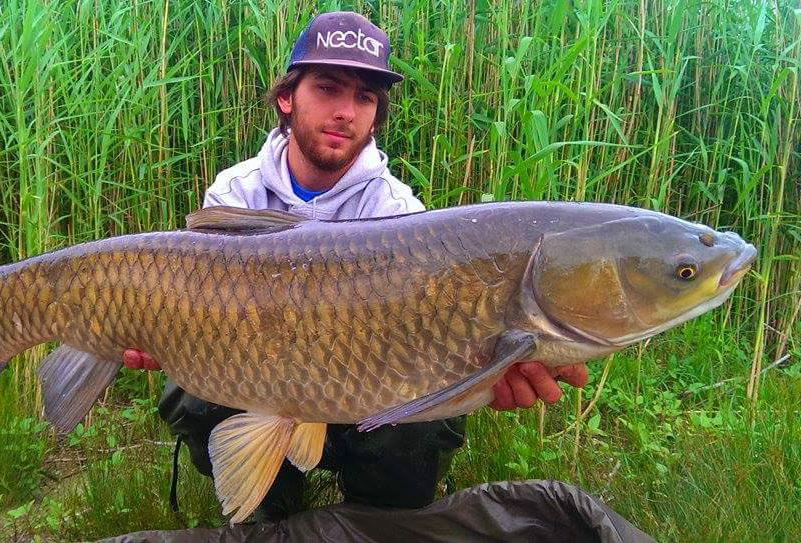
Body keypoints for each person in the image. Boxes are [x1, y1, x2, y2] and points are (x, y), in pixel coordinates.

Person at [122, 11, 588, 521]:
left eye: (364, 98)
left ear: (376, 115)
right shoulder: (236, 192)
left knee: (424, 419)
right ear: (287, 98)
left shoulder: (398, 212)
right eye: (327, 89)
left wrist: (491, 366)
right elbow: (201, 303)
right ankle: (271, 511)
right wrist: (167, 330)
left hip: (363, 388)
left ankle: (374, 517)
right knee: (190, 394)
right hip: (260, 375)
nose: (346, 112)